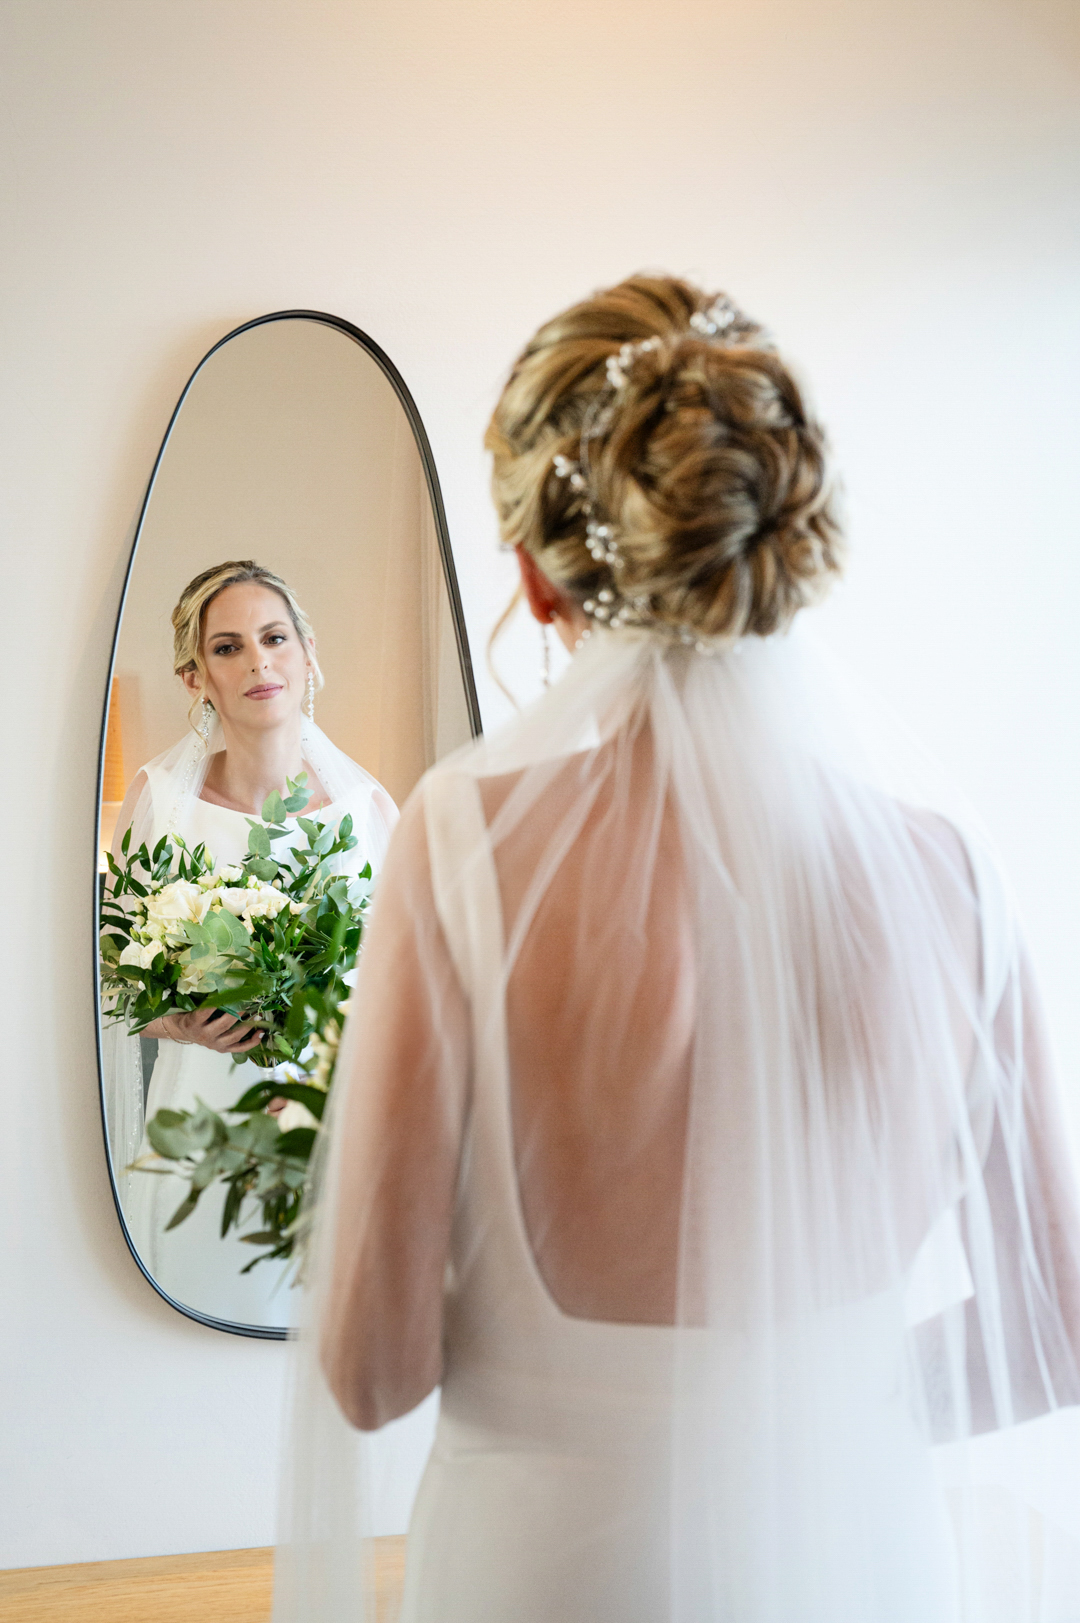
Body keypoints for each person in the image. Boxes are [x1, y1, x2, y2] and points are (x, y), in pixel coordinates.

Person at [279, 278, 1080, 1620]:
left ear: (538, 575)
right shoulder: (949, 871)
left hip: (551, 1571)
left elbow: (371, 1374)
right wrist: (819, 1406)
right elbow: (1057, 1326)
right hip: (859, 1553)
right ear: (775, 533)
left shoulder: (462, 842)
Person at [105, 560, 397, 1326]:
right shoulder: (161, 803)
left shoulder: (366, 811)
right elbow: (111, 987)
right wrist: (179, 1022)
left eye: (274, 638)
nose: (259, 662)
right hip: (203, 1126)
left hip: (339, 1130)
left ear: (308, 653)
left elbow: (414, 995)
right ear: (195, 677)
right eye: (228, 647)